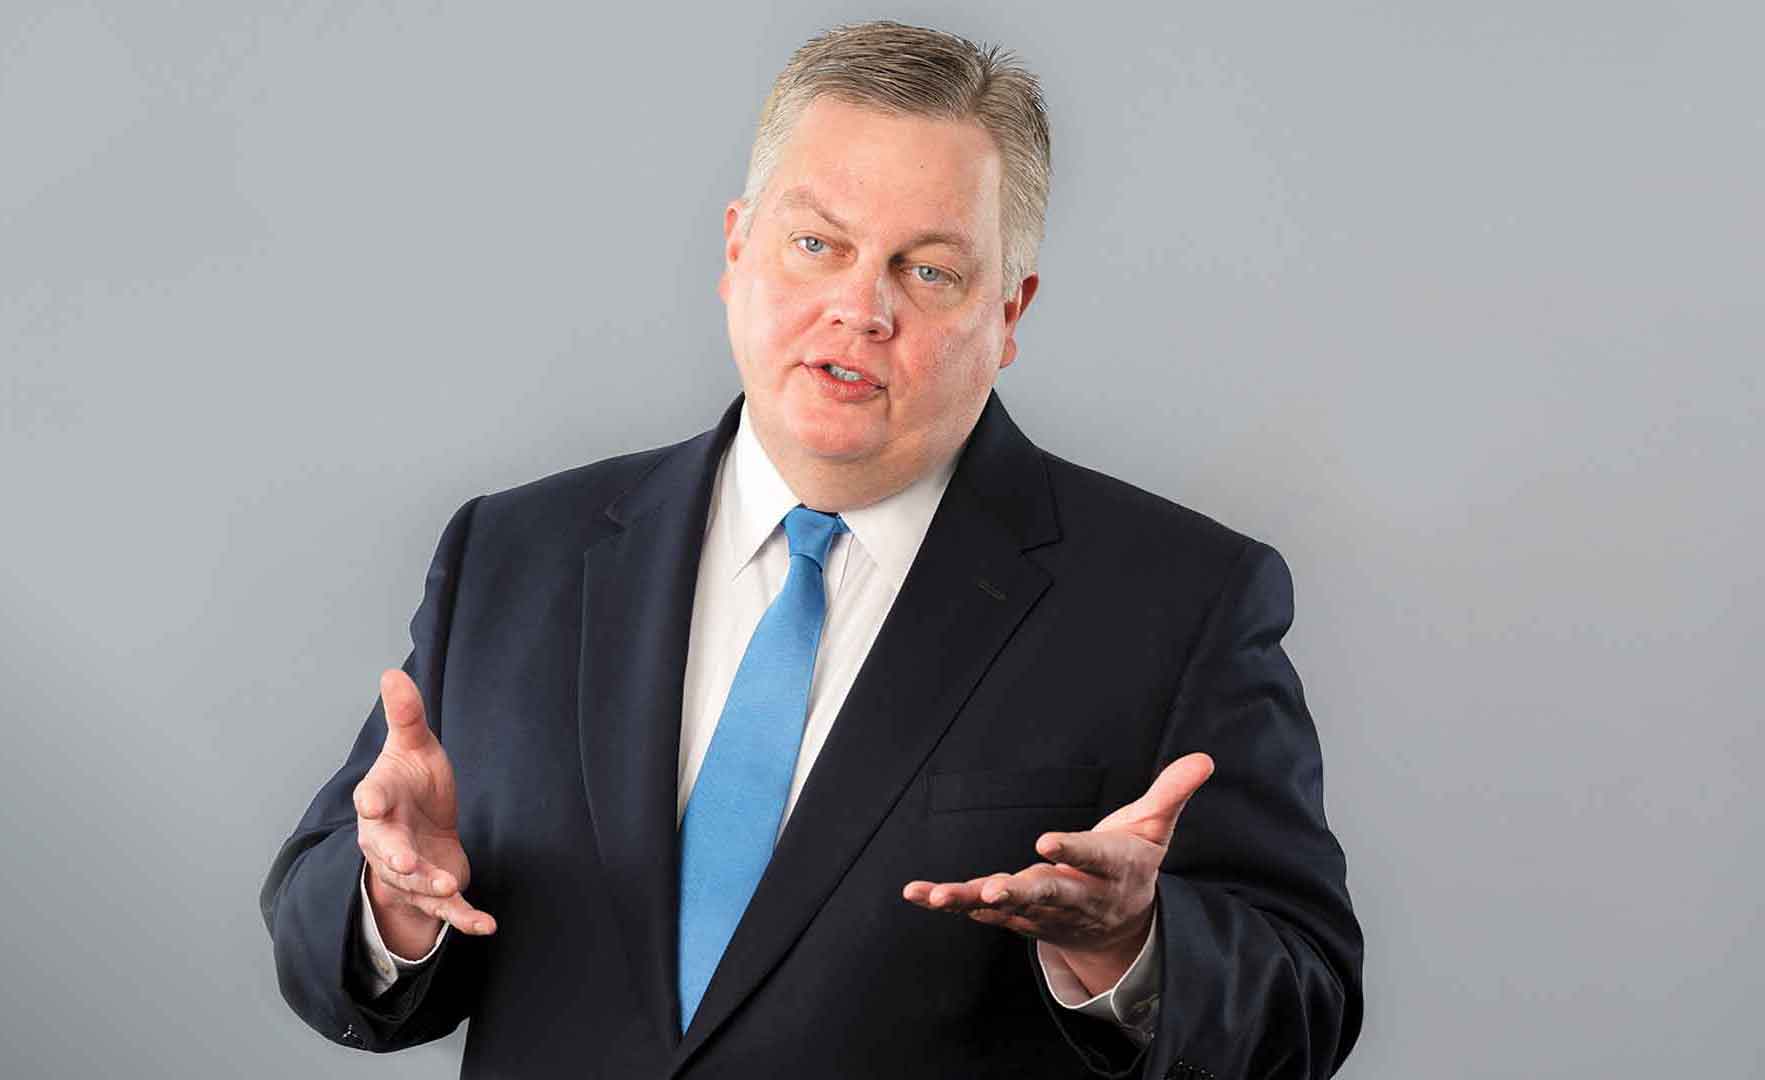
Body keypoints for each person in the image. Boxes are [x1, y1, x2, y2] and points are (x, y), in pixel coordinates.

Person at [261, 20, 1362, 1079]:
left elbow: (1303, 1003)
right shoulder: (516, 552)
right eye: (816, 244)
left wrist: (1129, 947)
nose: (858, 307)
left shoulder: (1178, 600)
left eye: (927, 270)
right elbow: (325, 945)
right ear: (738, 249)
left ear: (1010, 310)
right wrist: (394, 903)